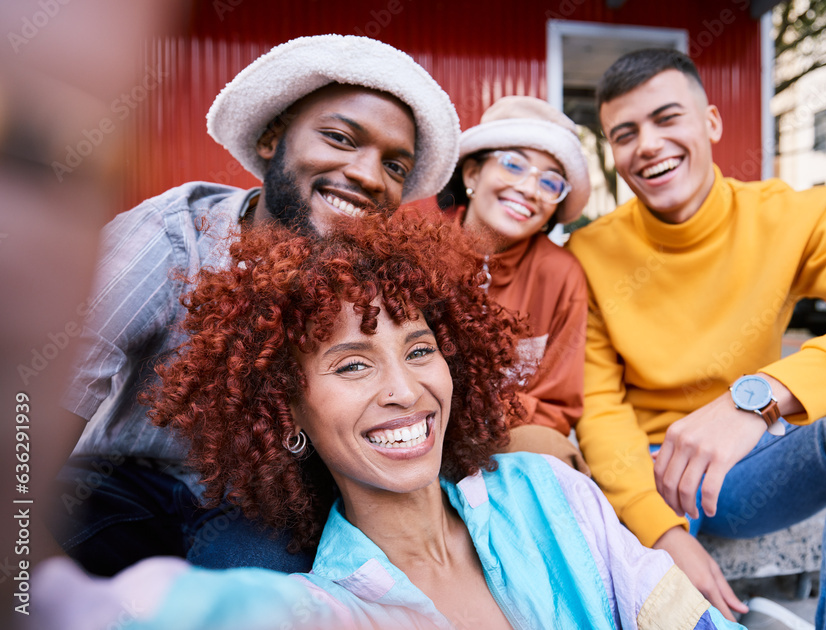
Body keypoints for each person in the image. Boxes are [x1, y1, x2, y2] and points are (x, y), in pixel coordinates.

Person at [34, 212, 745, 630]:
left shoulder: (551, 493)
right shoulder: (324, 603)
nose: (405, 389)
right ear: (289, 412)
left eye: (420, 349)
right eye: (351, 364)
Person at [565, 48, 826, 628]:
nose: (648, 145)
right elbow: (600, 408)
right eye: (625, 133)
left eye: (667, 119)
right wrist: (656, 529)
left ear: (711, 122)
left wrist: (762, 396)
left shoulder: (793, 215)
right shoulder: (588, 253)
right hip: (649, 471)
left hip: (752, 460)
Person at [52, 33, 461, 576]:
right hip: (122, 480)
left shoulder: (373, 281)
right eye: (341, 138)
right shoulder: (172, 239)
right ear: (272, 139)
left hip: (256, 503)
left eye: (394, 167)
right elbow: (43, 394)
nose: (367, 175)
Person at [430, 95, 591, 473]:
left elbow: (556, 407)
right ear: (472, 174)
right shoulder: (420, 253)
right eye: (513, 164)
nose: (530, 189)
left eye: (550, 181)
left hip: (510, 446)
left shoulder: (562, 274)